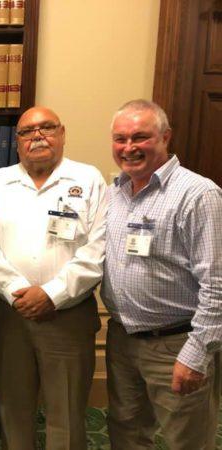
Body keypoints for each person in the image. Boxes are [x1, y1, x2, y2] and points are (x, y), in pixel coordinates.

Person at [0, 106, 107, 449]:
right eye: (27, 131)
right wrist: (20, 291)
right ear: (17, 141)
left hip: (67, 317)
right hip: (12, 315)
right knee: (14, 410)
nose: (37, 136)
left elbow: (97, 250)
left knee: (65, 413)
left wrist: (51, 294)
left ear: (62, 133)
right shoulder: (0, 181)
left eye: (46, 128)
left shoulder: (88, 179)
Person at [101, 99, 222, 450]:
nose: (129, 147)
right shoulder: (116, 191)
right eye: (120, 139)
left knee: (186, 439)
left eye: (140, 137)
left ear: (165, 137)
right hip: (123, 338)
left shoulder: (198, 194)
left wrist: (197, 353)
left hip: (175, 343)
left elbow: (217, 283)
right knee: (126, 432)